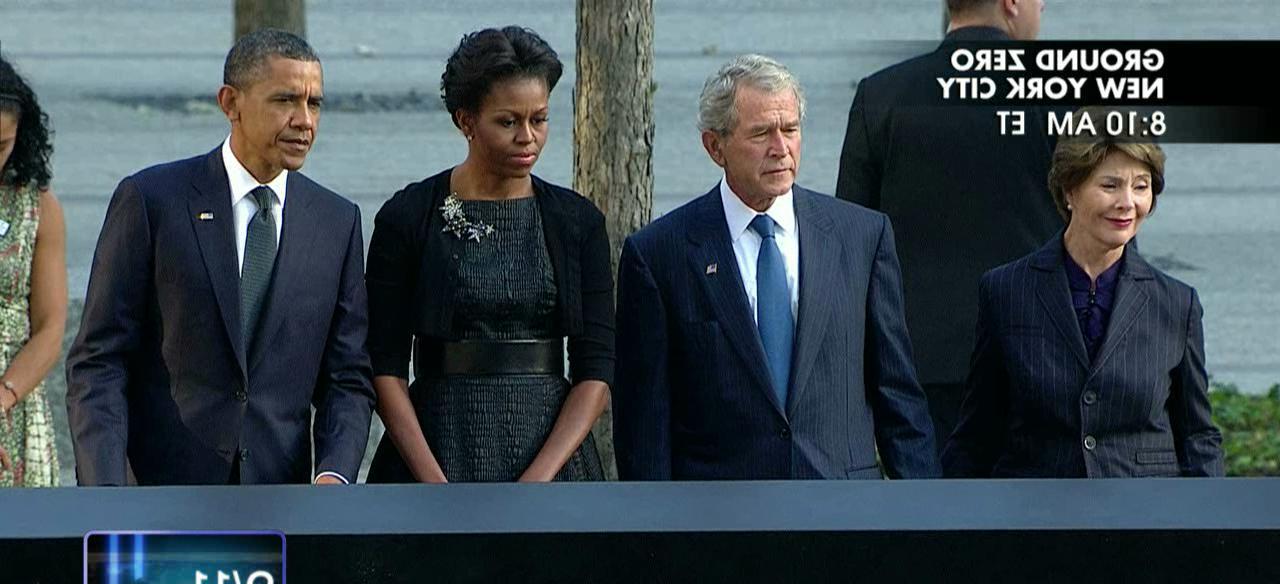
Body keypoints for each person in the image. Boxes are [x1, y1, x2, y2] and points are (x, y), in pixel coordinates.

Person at [66, 30, 373, 486]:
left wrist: (334, 475)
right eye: (285, 100)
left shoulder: (336, 221)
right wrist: (107, 489)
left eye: (315, 104)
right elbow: (99, 360)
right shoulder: (153, 201)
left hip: (281, 502)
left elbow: (348, 376)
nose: (304, 120)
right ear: (231, 103)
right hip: (159, 494)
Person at [614, 54, 938, 481]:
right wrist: (655, 537)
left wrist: (926, 520)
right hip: (718, 519)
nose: (780, 148)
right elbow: (645, 426)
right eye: (761, 133)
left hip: (842, 512)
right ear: (715, 147)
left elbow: (898, 396)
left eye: (790, 130)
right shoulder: (660, 254)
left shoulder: (861, 237)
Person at [365, 26, 612, 484]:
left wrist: (538, 480)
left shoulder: (577, 223)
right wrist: (433, 483)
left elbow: (595, 371)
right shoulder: (409, 216)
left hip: (551, 451)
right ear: (466, 121)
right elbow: (385, 367)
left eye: (539, 119)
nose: (528, 137)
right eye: (508, 121)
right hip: (436, 445)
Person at [942, 111, 1224, 478]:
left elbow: (1198, 436)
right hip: (1036, 514)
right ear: (1069, 190)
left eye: (1141, 186)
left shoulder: (1177, 303)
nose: (1128, 202)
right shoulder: (1006, 291)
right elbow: (978, 433)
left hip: (1146, 517)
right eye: (1110, 186)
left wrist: (1206, 529)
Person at [835, 0, 1058, 443]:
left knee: (934, 510)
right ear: (1012, 3)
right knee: (1036, 512)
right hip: (1042, 360)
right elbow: (1107, 236)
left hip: (916, 368)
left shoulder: (881, 96)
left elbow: (850, 245)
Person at [0, 56, 67, 487]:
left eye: (1, 146)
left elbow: (50, 326)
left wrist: (5, 396)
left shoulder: (36, 205)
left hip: (14, 402)